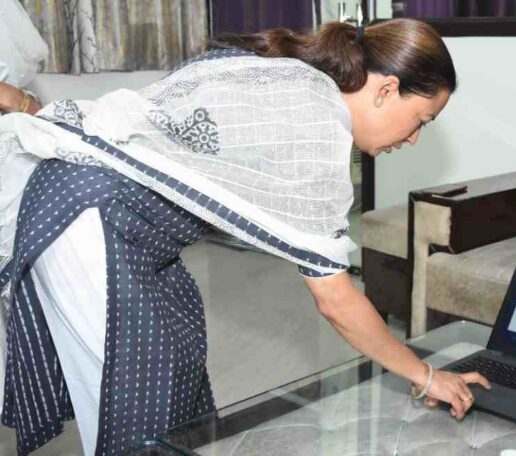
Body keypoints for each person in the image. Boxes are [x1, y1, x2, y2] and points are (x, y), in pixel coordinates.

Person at [0, 19, 490, 456]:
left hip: (102, 212)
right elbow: (336, 301)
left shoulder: (301, 80)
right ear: (386, 89)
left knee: (176, 361)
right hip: (90, 220)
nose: (413, 139)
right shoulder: (319, 129)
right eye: (421, 120)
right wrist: (425, 374)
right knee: (138, 398)